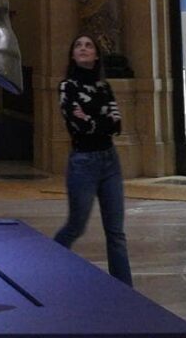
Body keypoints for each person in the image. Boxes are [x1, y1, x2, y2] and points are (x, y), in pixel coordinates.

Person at [52, 33, 131, 286]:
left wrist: (91, 118)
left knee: (116, 232)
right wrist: (98, 120)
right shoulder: (68, 86)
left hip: (110, 161)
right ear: (73, 55)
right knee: (76, 225)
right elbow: (78, 125)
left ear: (96, 54)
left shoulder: (104, 86)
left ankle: (125, 288)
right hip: (83, 162)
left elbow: (116, 123)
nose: (83, 49)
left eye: (89, 46)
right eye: (78, 45)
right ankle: (48, 262)